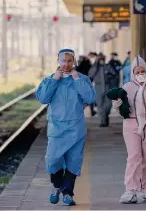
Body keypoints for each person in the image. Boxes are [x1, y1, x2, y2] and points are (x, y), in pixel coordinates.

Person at [36, 48, 96, 206]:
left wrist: (77, 79)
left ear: (74, 62)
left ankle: (68, 193)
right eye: (63, 60)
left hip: (76, 128)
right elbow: (43, 98)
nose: (66, 64)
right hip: (57, 128)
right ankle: (56, 186)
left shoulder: (81, 79)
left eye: (70, 61)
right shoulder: (50, 79)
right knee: (53, 160)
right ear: (58, 62)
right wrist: (54, 80)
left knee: (74, 161)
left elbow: (90, 98)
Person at [112, 55, 146, 204]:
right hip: (131, 126)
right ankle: (131, 189)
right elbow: (120, 108)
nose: (140, 73)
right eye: (137, 71)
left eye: (142, 70)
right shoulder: (127, 87)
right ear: (132, 73)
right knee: (134, 157)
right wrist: (117, 105)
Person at [88, 53, 116, 127]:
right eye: (100, 60)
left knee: (108, 104)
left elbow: (114, 74)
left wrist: (109, 76)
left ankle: (106, 116)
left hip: (107, 86)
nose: (101, 61)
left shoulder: (107, 66)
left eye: (102, 59)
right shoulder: (94, 68)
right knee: (100, 105)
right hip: (98, 87)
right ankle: (102, 121)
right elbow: (90, 76)